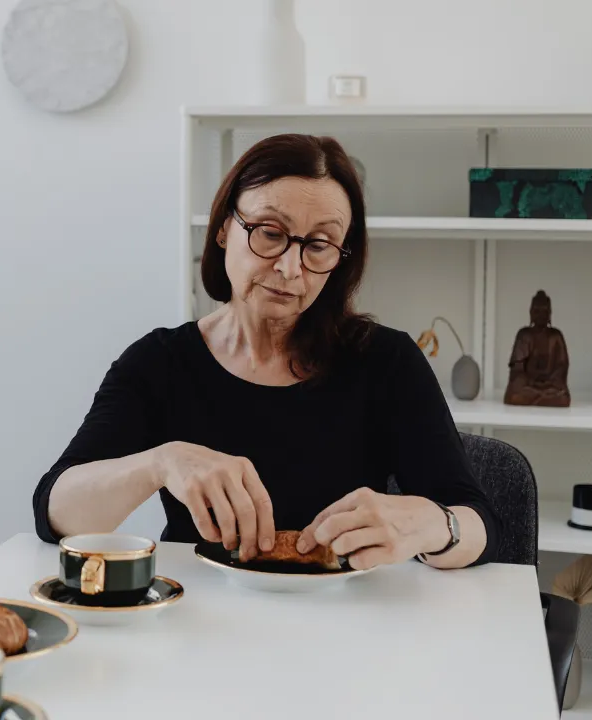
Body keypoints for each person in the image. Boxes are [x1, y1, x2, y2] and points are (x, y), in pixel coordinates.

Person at [32, 134, 498, 571]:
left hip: (345, 621)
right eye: (270, 232)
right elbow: (56, 513)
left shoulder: (385, 361)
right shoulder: (159, 363)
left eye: (318, 245)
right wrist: (161, 462)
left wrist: (433, 525)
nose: (290, 268)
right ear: (222, 230)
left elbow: (481, 524)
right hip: (197, 618)